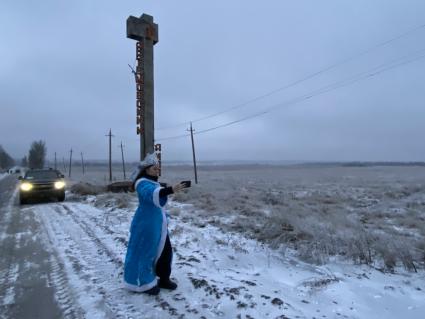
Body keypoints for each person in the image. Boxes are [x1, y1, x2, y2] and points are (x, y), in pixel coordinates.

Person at [123, 152, 187, 295]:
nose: (157, 170)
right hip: (145, 224)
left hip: (158, 224)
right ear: (146, 169)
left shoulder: (153, 182)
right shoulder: (142, 183)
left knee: (166, 251)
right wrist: (170, 189)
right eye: (154, 168)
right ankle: (143, 283)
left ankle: (164, 278)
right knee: (145, 252)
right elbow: (151, 194)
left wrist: (167, 190)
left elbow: (158, 192)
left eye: (158, 168)